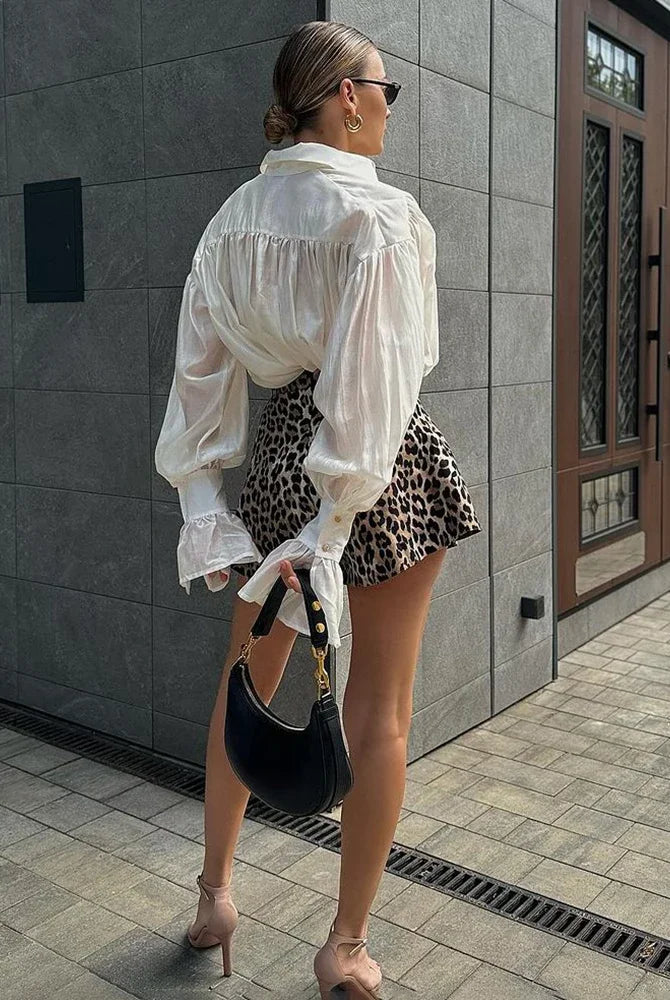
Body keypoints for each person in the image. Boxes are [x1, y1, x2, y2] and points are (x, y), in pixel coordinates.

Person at [154, 19, 482, 999]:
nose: (387, 109)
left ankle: (215, 895)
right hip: (377, 471)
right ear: (345, 96)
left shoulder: (230, 223)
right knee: (378, 712)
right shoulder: (381, 217)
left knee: (243, 686)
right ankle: (344, 946)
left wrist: (205, 508)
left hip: (275, 463)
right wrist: (330, 531)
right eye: (384, 91)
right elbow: (383, 381)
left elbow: (199, 379)